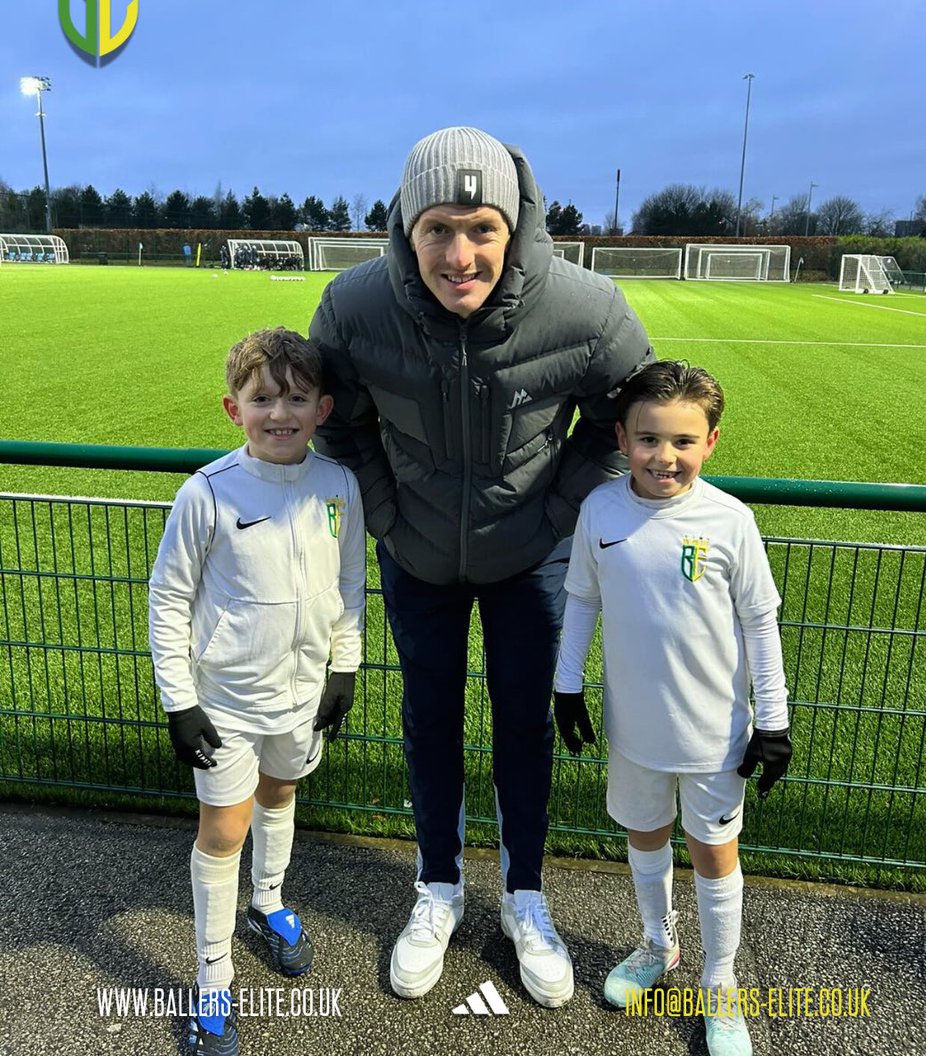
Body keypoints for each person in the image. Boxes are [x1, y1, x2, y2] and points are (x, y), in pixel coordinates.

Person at [310, 125, 653, 1008]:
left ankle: (525, 896)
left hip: (529, 560)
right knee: (428, 722)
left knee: (523, 728)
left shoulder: (589, 309)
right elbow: (340, 424)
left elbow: (626, 424)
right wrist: (388, 514)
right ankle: (438, 887)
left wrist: (554, 514)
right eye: (437, 228)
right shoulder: (352, 307)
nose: (459, 256)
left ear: (515, 226)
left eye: (481, 229)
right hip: (417, 556)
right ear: (405, 227)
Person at [553, 360, 791, 1056]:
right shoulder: (600, 511)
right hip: (634, 730)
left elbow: (760, 624)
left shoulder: (730, 521)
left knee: (713, 852)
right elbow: (583, 599)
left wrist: (773, 721)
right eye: (650, 439)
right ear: (622, 438)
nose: (665, 456)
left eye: (684, 441)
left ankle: (721, 981)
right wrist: (567, 685)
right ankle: (659, 944)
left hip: (714, 735)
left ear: (710, 442)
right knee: (645, 835)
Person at [148, 327, 365, 1054]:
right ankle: (212, 978)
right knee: (223, 830)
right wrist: (180, 702)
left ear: (322, 408)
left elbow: (350, 584)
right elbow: (168, 600)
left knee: (280, 794)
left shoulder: (338, 486)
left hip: (301, 695)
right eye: (262, 398)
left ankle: (267, 902)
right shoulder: (206, 493)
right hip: (225, 705)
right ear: (232, 408)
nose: (280, 413)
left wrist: (344, 666)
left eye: (296, 398)